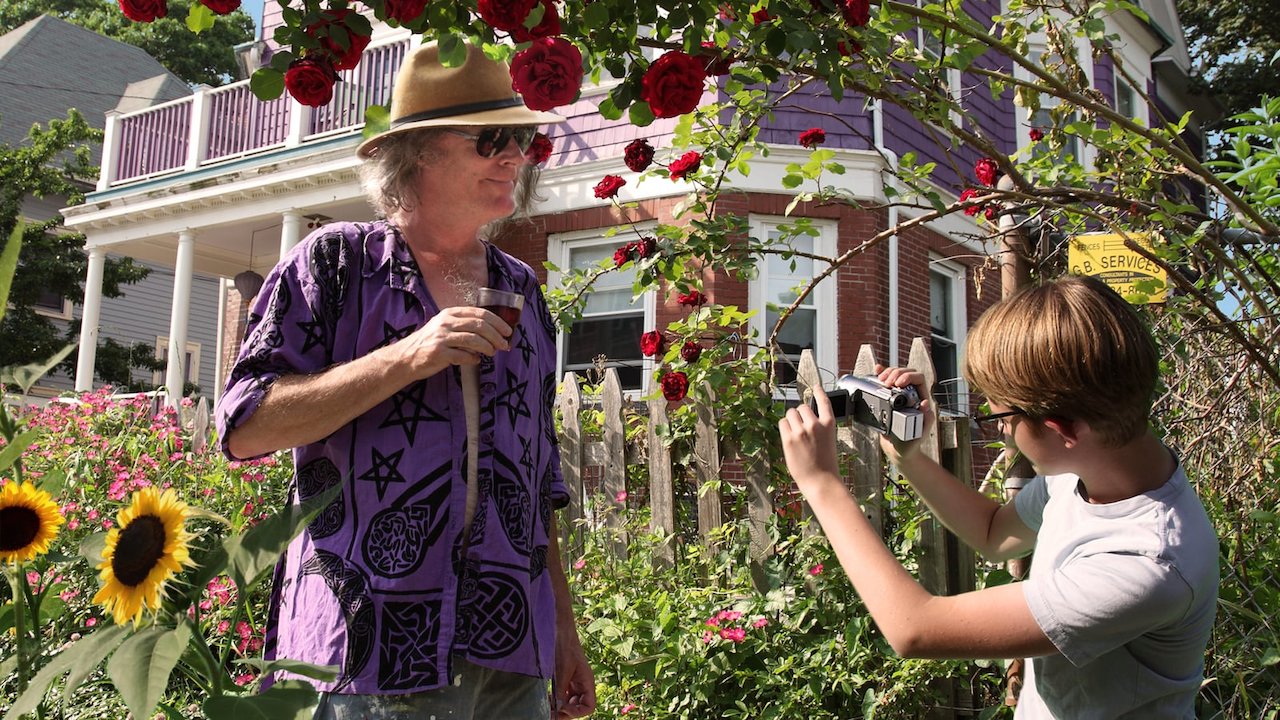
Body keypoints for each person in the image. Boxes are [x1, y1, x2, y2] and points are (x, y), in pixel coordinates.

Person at [216, 41, 596, 719]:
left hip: (508, 645)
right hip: (371, 644)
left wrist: (562, 630)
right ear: (419, 151)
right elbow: (246, 427)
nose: (515, 156)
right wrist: (409, 356)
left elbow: (537, 488)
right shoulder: (335, 266)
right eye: (493, 139)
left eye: (524, 140)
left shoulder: (523, 290)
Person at [778, 275, 1218, 718]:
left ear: (1061, 429)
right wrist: (908, 454)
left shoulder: (1146, 563)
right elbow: (993, 533)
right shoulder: (1086, 471)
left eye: (1004, 416)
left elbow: (915, 629)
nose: (1000, 427)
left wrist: (821, 483)